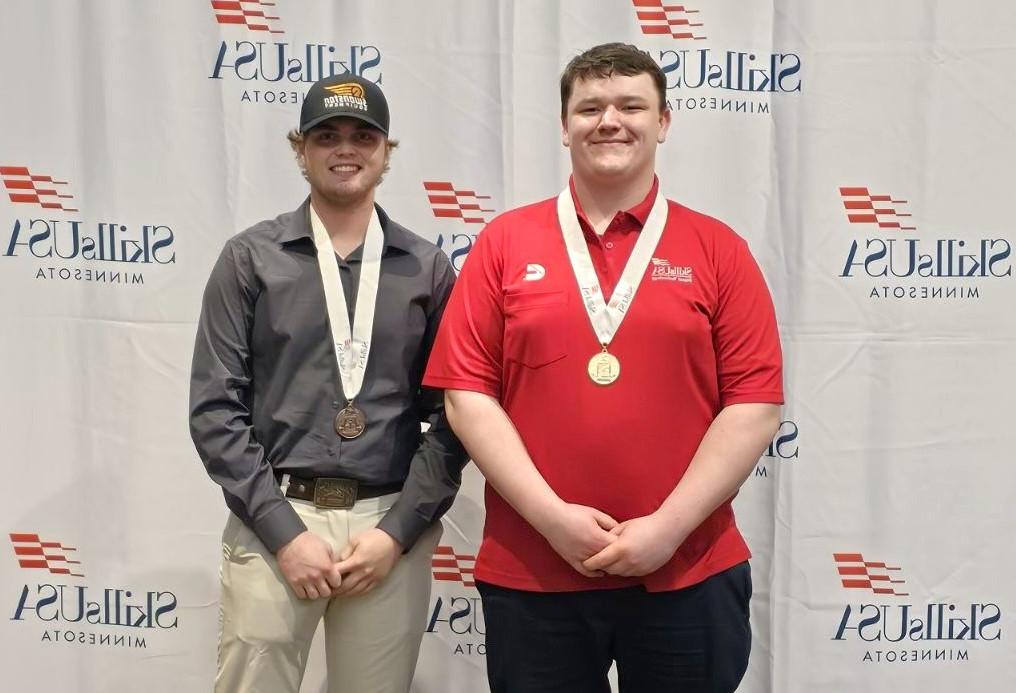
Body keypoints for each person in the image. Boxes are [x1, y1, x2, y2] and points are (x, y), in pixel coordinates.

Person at [423, 43, 783, 693]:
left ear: (664, 121)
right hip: (533, 569)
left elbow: (754, 404)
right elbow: (467, 397)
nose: (609, 120)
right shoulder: (504, 245)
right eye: (589, 107)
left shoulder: (718, 249)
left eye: (630, 105)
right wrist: (554, 519)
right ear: (564, 126)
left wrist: (668, 528)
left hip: (687, 569)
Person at [189, 73, 466, 693]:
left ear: (386, 151)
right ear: (301, 150)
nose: (346, 148)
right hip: (274, 520)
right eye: (327, 135)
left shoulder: (426, 268)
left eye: (363, 136)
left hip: (385, 529)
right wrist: (285, 534)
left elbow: (455, 416)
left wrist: (395, 534)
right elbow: (215, 410)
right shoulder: (250, 259)